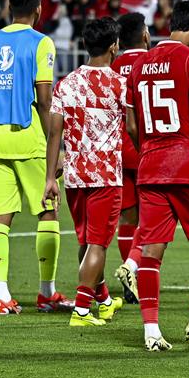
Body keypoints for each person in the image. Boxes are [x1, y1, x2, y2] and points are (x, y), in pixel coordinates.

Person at [124, 1, 189, 352]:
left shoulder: (138, 64)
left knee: (151, 251)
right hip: (188, 164)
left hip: (151, 166)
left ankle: (151, 332)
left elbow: (132, 124)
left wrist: (150, 151)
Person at [0, 0, 68, 315]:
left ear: (8, 7)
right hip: (29, 139)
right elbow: (45, 100)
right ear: (39, 9)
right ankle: (47, 293)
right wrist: (54, 149)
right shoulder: (41, 44)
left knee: (0, 219)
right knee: (48, 211)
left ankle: (2, 295)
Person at [45, 18, 127, 328]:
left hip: (76, 176)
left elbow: (55, 133)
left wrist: (51, 177)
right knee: (98, 244)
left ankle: (103, 300)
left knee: (88, 240)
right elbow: (132, 128)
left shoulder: (66, 83)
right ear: (113, 46)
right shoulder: (119, 84)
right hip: (106, 175)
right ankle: (81, 311)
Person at [111, 13, 150, 304]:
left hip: (116, 149)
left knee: (127, 216)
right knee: (151, 217)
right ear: (145, 34)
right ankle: (134, 268)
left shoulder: (112, 66)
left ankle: (130, 282)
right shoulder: (153, 63)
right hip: (147, 146)